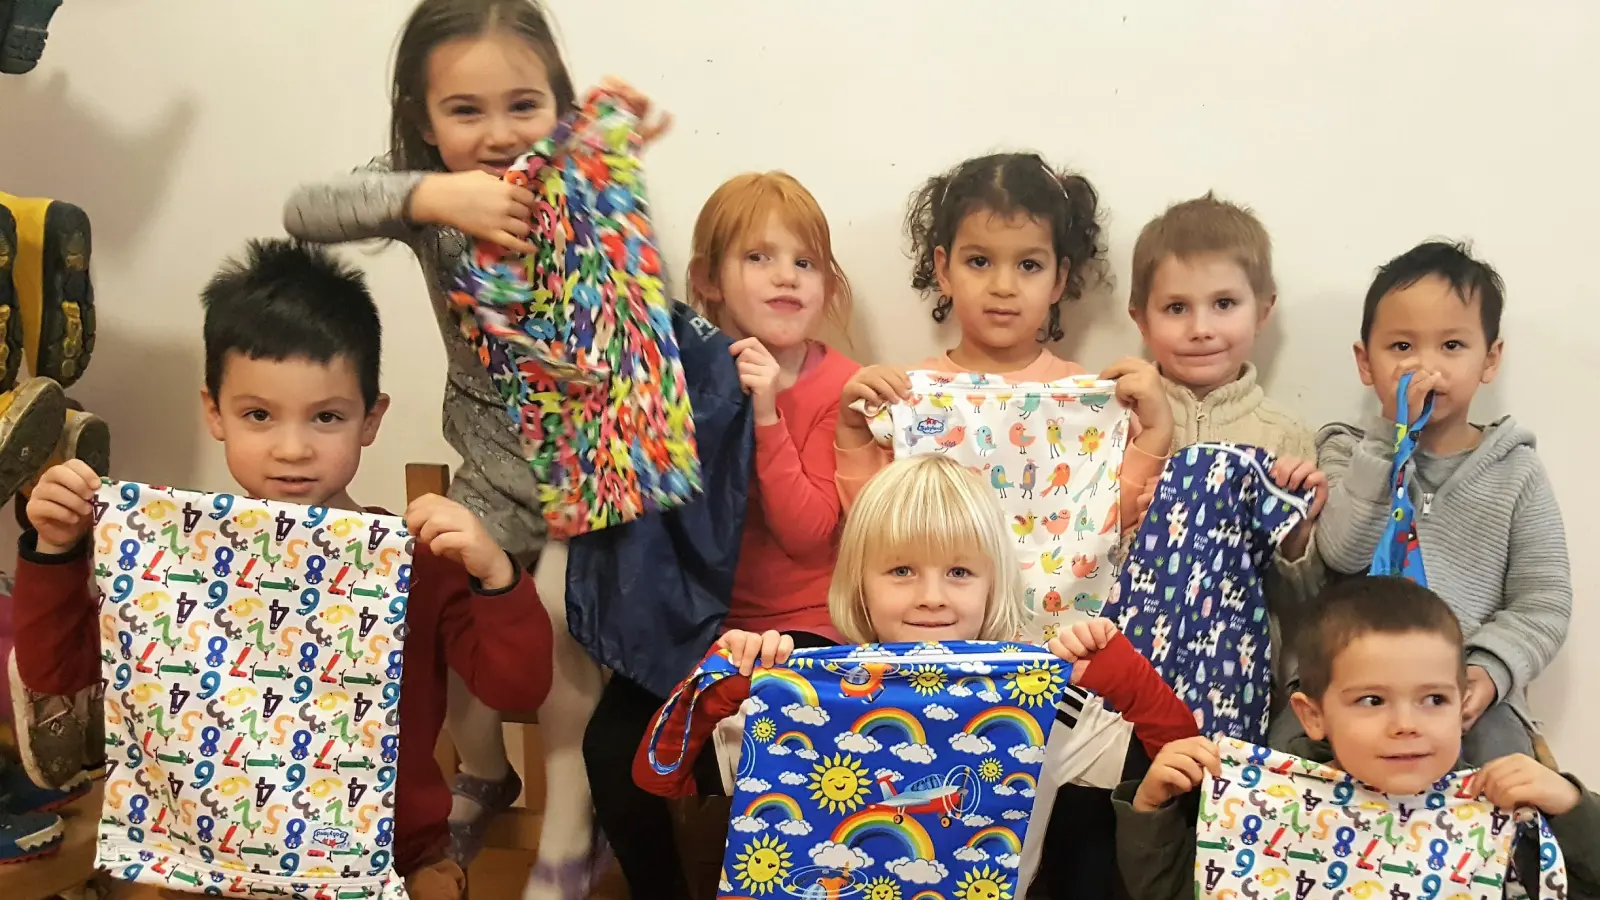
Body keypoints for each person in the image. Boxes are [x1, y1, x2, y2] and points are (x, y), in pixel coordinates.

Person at [12, 239, 554, 900]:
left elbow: (517, 686)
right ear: (214, 413)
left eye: (326, 416)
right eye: (258, 415)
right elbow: (58, 675)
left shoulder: (414, 561)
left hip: (391, 863)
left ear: (370, 419)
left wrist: (494, 573)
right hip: (215, 865)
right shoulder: (178, 559)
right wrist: (55, 551)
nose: (292, 449)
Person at [282, 1, 667, 889]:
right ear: (423, 119)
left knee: (562, 633)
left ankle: (572, 836)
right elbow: (306, 209)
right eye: (464, 111)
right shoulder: (429, 198)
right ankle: (483, 774)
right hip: (490, 481)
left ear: (558, 106)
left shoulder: (587, 184)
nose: (497, 134)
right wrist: (428, 192)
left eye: (523, 106)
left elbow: (650, 335)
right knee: (444, 612)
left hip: (589, 485)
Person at [632, 456, 1200, 897]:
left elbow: (1182, 759)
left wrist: (1114, 669)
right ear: (861, 584)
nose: (931, 597)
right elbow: (659, 779)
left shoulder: (1043, 698)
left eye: (958, 571)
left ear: (992, 583)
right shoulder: (797, 693)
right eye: (901, 570)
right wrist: (721, 686)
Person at [582, 171, 860, 899]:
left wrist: (766, 413)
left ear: (828, 285)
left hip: (808, 629)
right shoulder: (679, 378)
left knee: (789, 745)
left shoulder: (843, 388)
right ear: (708, 280)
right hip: (700, 630)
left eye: (804, 263)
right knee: (611, 743)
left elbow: (809, 534)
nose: (785, 278)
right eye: (759, 258)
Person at [1111, 575, 1598, 899]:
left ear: (1463, 702)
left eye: (1434, 700)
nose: (1407, 724)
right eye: (1372, 700)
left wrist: (1574, 807)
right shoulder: (1269, 813)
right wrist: (1152, 814)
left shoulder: (1501, 821)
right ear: (1313, 716)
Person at [1306, 241, 1570, 763]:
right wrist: (1386, 438)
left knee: (1504, 777)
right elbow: (1342, 553)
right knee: (1289, 756)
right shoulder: (1343, 451)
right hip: (1350, 685)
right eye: (1402, 347)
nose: (1426, 364)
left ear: (1489, 358)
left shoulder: (1516, 470)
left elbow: (1544, 604)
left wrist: (1488, 671)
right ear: (1366, 362)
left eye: (1452, 346)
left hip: (1464, 690)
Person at [834, 152, 1172, 532]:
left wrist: (1156, 435)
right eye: (979, 261)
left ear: (1059, 279)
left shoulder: (1082, 400)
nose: (1003, 287)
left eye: (1029, 265)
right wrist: (853, 432)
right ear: (944, 270)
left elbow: (1102, 528)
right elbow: (874, 529)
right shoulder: (905, 396)